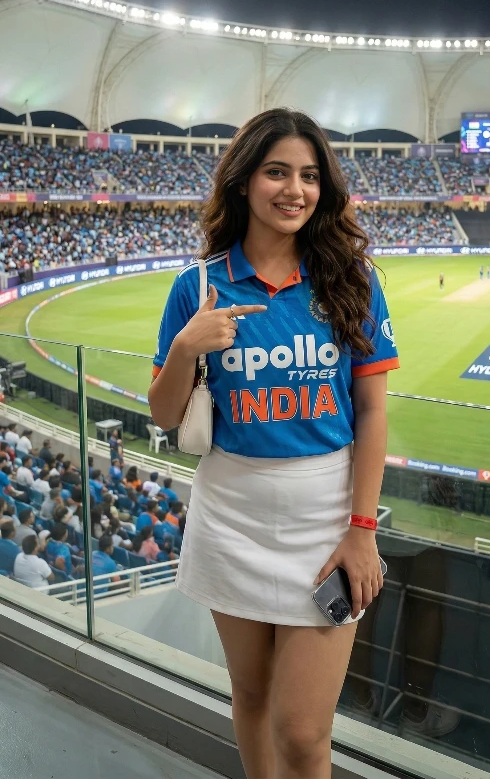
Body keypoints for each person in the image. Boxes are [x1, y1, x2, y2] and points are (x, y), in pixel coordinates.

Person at [148, 107, 399, 778]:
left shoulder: (351, 281)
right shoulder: (196, 286)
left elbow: (372, 411)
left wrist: (362, 529)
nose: (295, 189)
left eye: (310, 176)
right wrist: (183, 348)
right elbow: (167, 412)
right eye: (277, 172)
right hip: (231, 514)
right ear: (243, 182)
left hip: (328, 520)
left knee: (303, 733)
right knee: (252, 698)